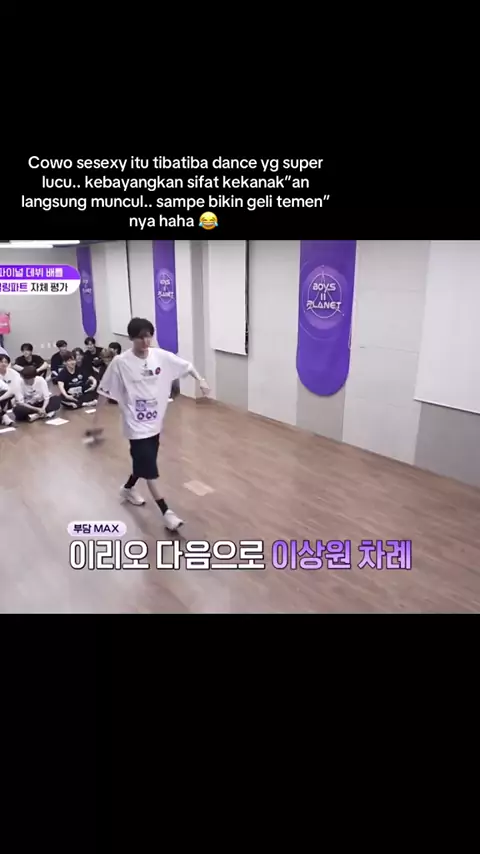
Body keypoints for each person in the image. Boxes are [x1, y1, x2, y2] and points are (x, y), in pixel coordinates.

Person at [86, 317, 210, 532]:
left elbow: (187, 366)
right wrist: (95, 422)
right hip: (134, 425)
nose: (145, 342)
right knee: (150, 469)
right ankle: (167, 513)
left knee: (144, 462)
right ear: (131, 338)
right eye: (140, 338)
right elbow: (104, 392)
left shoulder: (160, 356)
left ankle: (127, 489)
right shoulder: (121, 362)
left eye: (148, 336)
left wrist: (201, 380)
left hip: (154, 423)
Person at [0, 354, 21, 426]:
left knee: (4, 392)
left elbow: (14, 389)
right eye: (1, 362)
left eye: (5, 362)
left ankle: (4, 416)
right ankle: (4, 416)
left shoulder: (14, 373)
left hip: (10, 398)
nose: (3, 364)